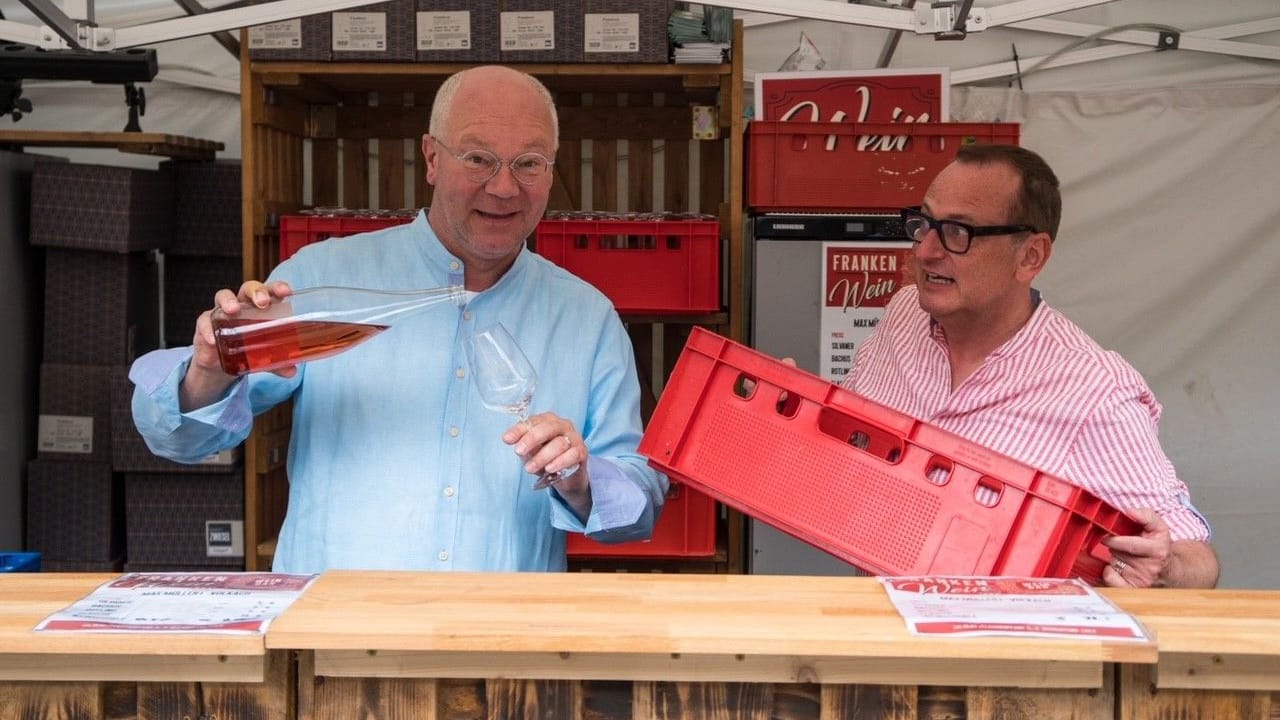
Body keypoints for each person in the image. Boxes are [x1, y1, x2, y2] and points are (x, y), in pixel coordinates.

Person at [130, 65, 667, 574]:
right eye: (478, 158)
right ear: (432, 158)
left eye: (529, 163)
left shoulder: (586, 317)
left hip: (500, 639)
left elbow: (639, 506)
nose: (505, 188)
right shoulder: (321, 277)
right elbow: (179, 441)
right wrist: (209, 369)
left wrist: (579, 481)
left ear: (552, 168)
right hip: (333, 634)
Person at [844, 144, 1218, 588]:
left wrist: (1165, 566)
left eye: (958, 232)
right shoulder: (904, 315)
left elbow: (1198, 559)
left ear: (1030, 257)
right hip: (879, 626)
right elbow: (849, 432)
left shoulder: (1095, 389)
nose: (925, 251)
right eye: (924, 222)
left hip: (1008, 653)